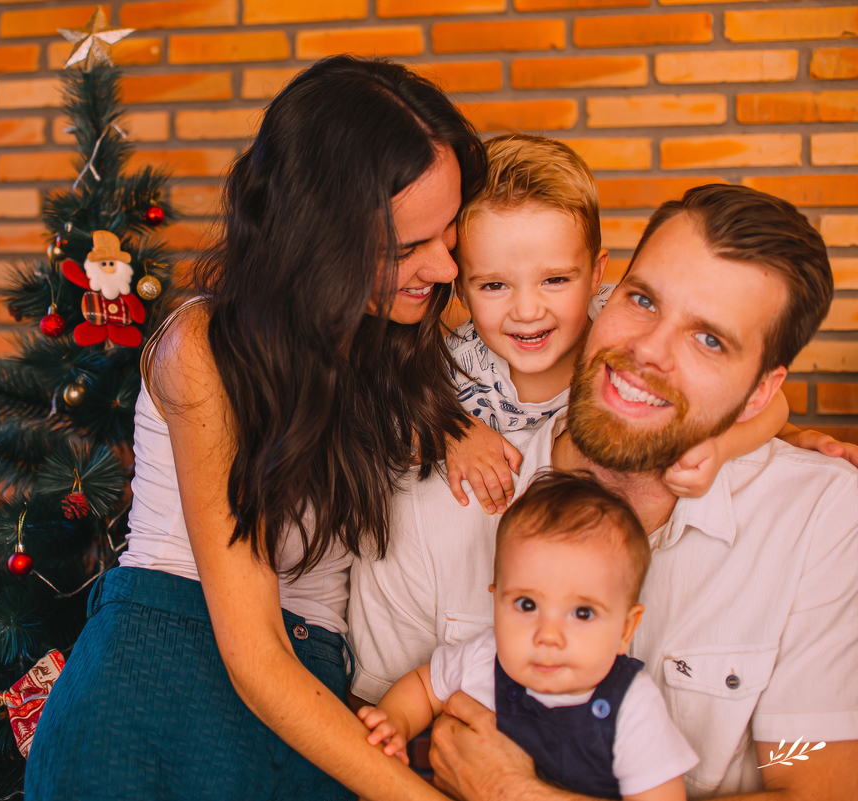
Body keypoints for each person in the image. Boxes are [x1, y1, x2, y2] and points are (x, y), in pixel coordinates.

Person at [24, 56, 486, 800]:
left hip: (315, 696)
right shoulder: (203, 347)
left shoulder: (395, 350)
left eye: (451, 231)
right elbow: (256, 653)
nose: (446, 267)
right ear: (320, 237)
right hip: (161, 694)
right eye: (408, 248)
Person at [348, 183, 858, 800]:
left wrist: (519, 794)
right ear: (607, 294)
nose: (647, 350)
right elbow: (375, 759)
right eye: (642, 300)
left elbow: (815, 784)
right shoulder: (432, 507)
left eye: (709, 339)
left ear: (760, 394)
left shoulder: (820, 518)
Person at [443, 134, 846, 516]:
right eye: (494, 285)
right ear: (460, 288)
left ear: (596, 275)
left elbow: (769, 402)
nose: (528, 310)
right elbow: (405, 418)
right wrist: (454, 431)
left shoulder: (623, 316)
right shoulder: (452, 366)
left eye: (555, 280)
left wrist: (733, 444)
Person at [358, 472, 699, 801]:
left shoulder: (634, 707)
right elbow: (424, 686)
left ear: (625, 629)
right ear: (497, 603)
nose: (548, 635)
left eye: (582, 613)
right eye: (527, 604)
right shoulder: (483, 657)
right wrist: (396, 721)